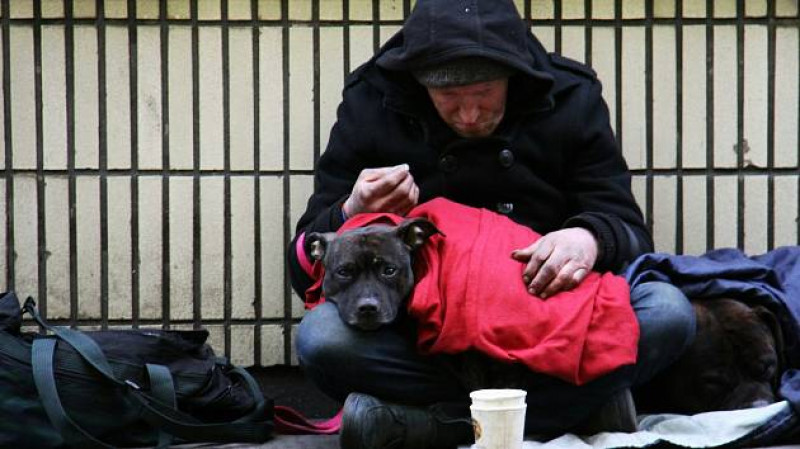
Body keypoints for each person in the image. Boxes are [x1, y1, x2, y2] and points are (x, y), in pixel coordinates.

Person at [287, 0, 696, 448]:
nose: (468, 115)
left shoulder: (570, 95)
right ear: (419, 83)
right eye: (448, 97)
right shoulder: (373, 100)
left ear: (513, 76)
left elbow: (629, 230)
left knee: (668, 311)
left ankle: (423, 424)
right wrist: (351, 210)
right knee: (322, 339)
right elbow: (305, 262)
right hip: (426, 335)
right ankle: (576, 409)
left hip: (546, 318)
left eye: (484, 93)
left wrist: (587, 238)